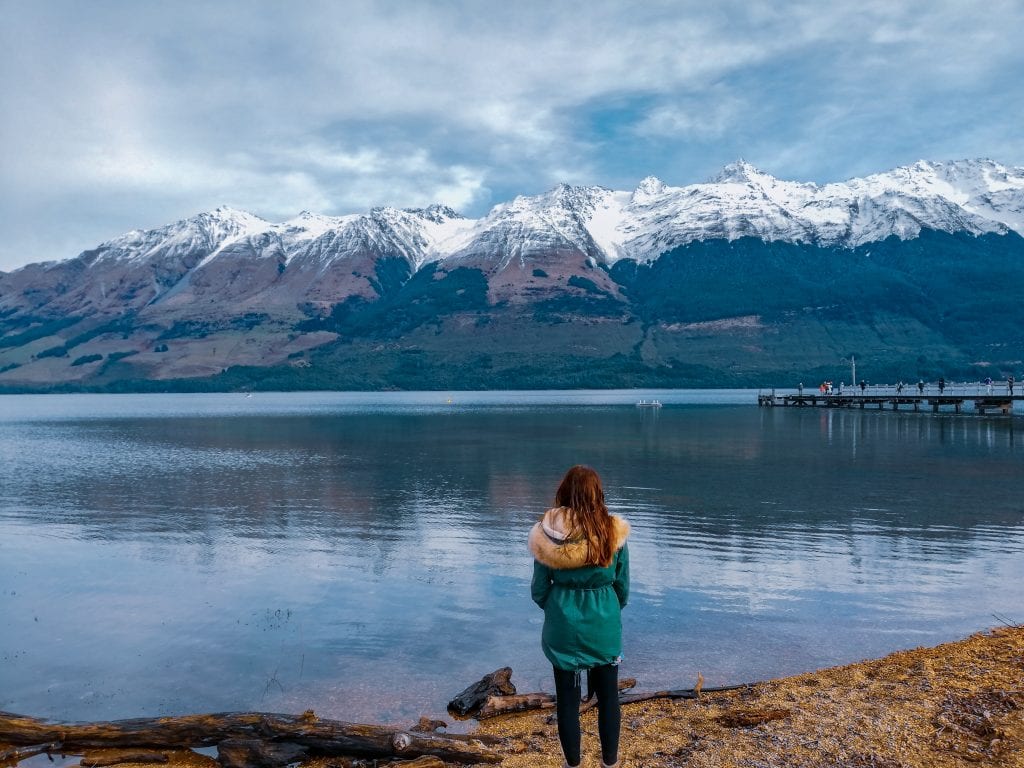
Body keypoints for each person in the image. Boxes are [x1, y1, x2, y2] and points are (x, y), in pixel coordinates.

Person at [530, 466, 630, 768]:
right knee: (609, 696)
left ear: (564, 491)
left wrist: (558, 606)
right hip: (604, 622)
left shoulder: (547, 534)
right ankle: (609, 763)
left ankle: (573, 764)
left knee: (568, 701)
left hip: (563, 623)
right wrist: (609, 610)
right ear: (598, 493)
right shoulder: (613, 532)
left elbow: (539, 590)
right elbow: (622, 586)